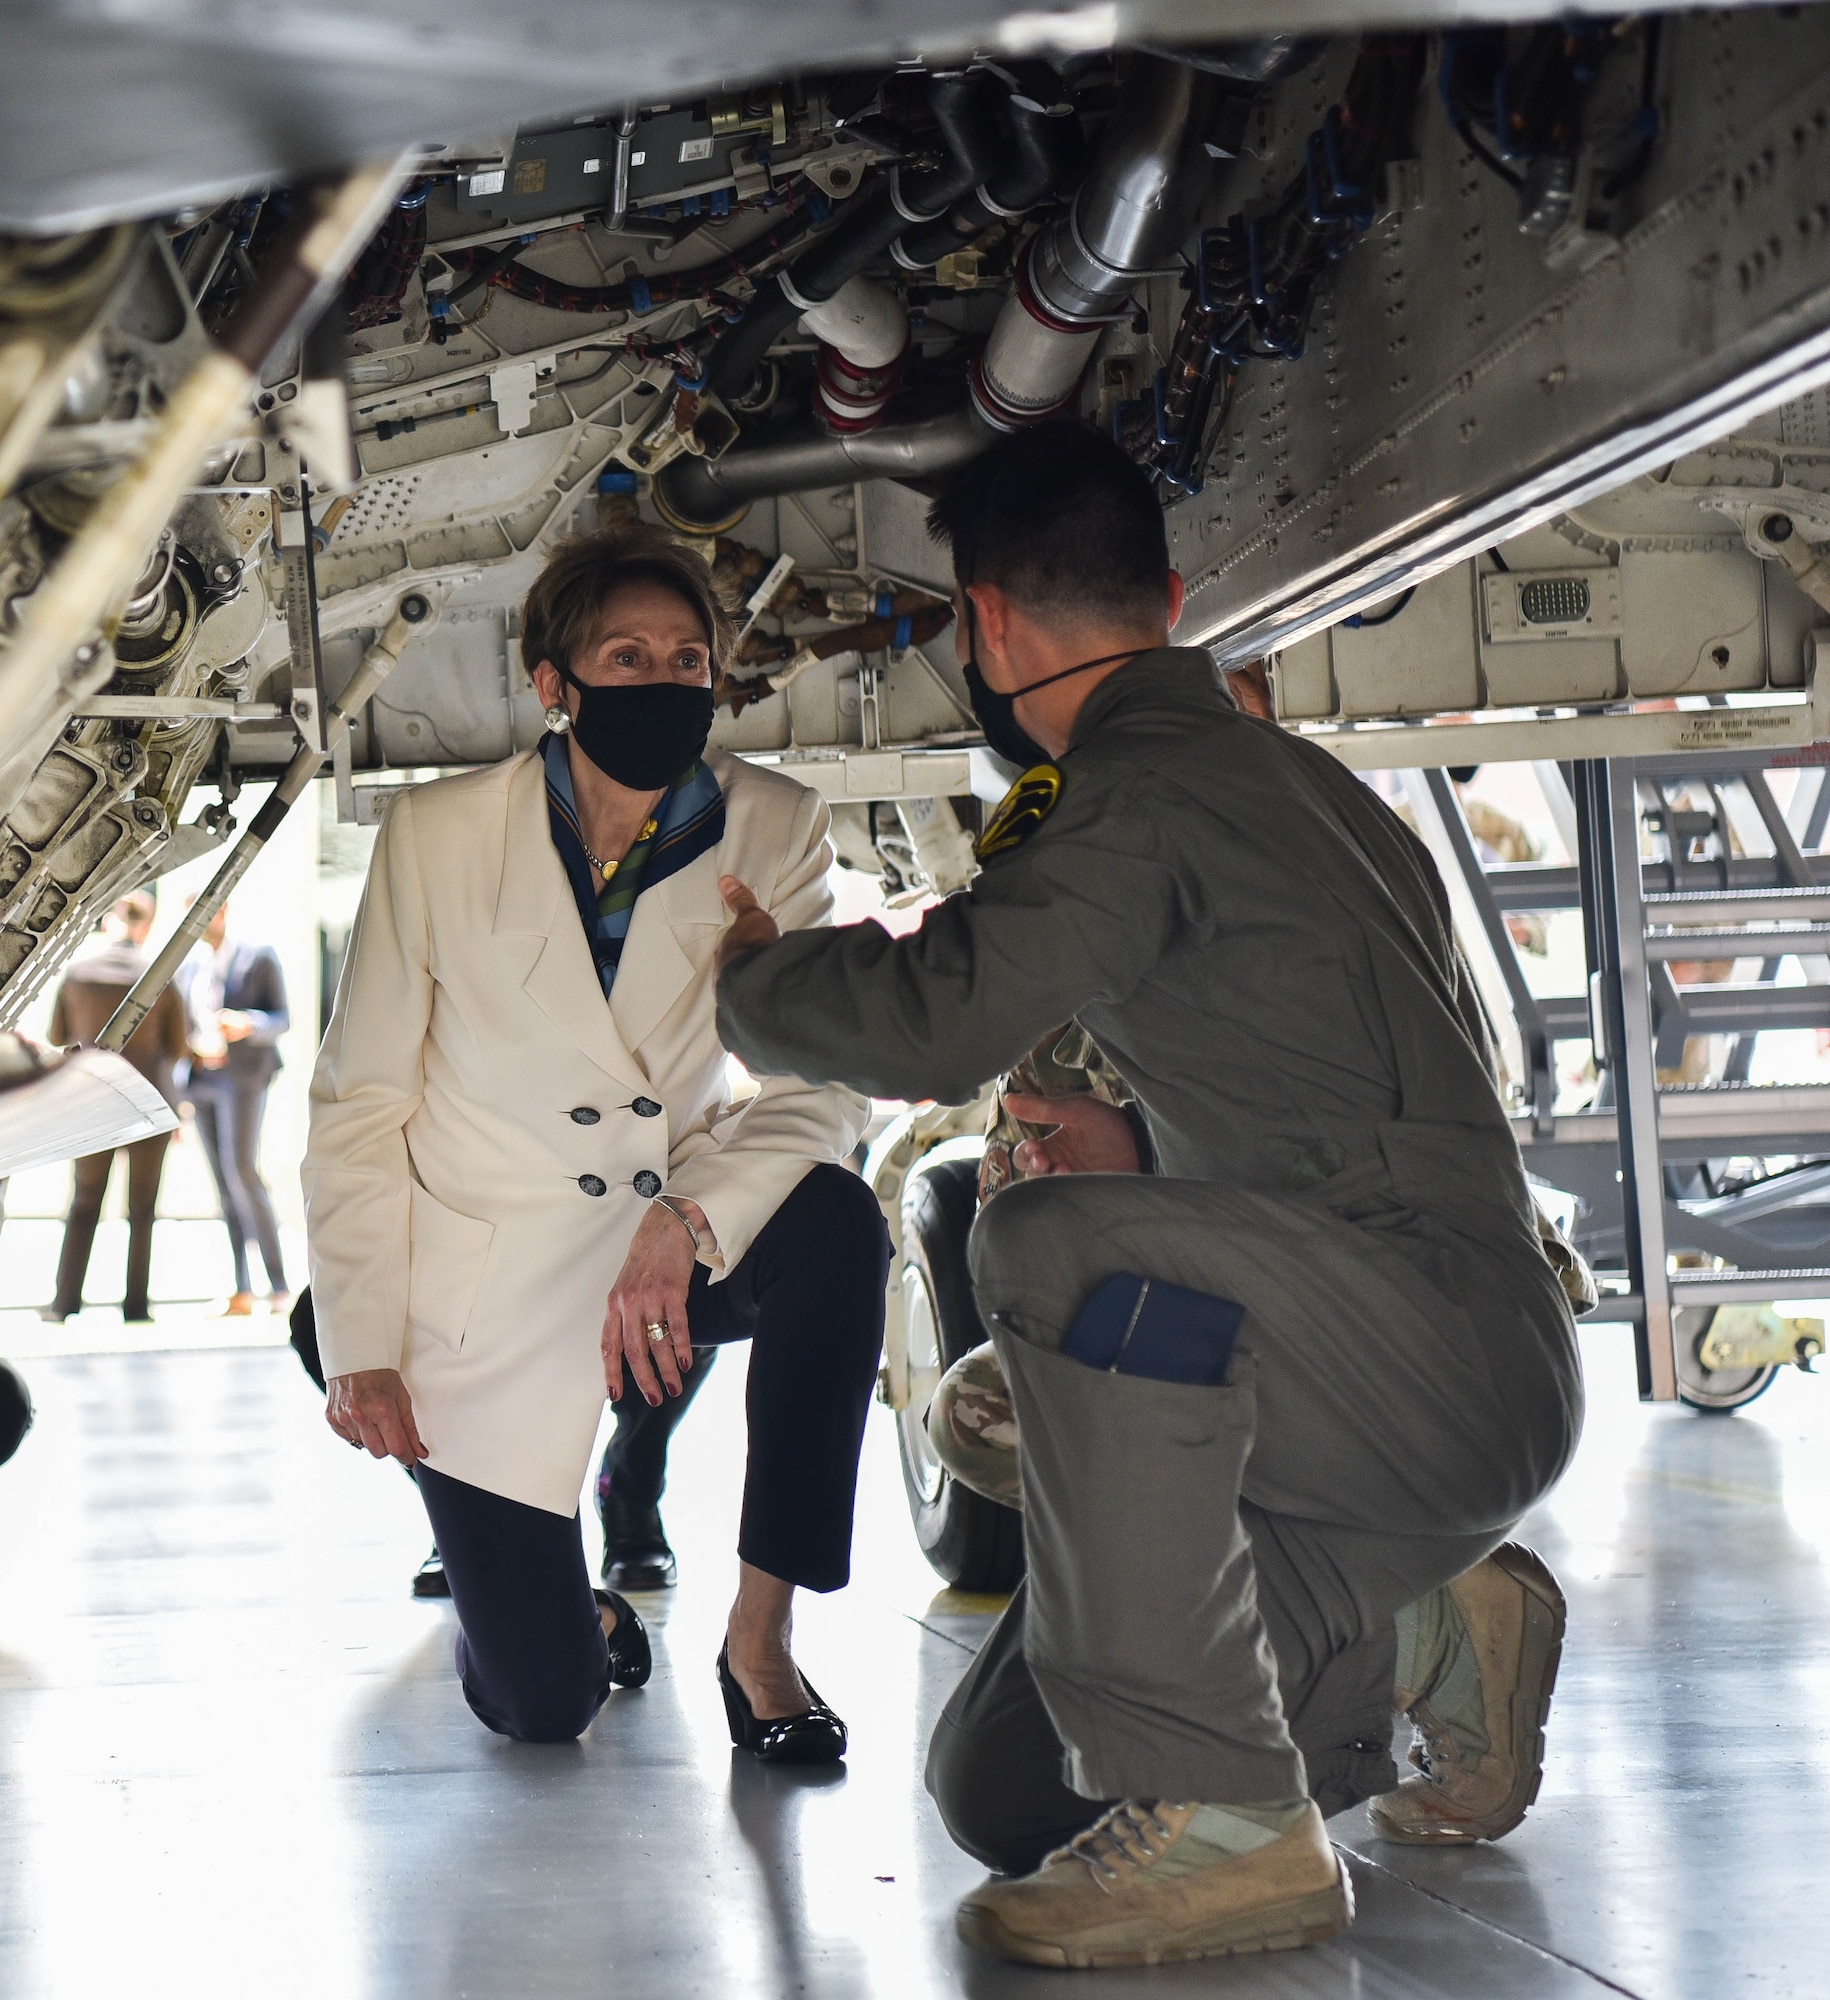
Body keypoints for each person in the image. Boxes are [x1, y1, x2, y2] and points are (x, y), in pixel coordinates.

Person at [713, 422, 1583, 1967]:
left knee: (1040, 1243)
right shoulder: (1315, 794)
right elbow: (1351, 1090)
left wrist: (750, 984)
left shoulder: (1132, 793)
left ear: (982, 625)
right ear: (1169, 597)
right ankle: (1434, 1633)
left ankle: (1229, 1823)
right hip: (1433, 1347)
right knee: (1010, 1787)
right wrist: (1155, 1158)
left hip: (1416, 1357)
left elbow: (936, 1022)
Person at [303, 524, 889, 1757]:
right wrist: (361, 1342)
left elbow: (819, 1086)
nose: (662, 681)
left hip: (661, 1248)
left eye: (687, 659)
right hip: (498, 1287)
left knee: (838, 1220)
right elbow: (361, 1104)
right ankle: (567, 1595)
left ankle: (761, 1639)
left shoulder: (770, 825)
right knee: (541, 1706)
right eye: (624, 655)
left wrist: (682, 1220)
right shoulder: (440, 834)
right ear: (551, 683)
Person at [43, 890, 190, 1324]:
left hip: (92, 1104)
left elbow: (56, 1037)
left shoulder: (79, 973)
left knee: (84, 1201)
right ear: (146, 924)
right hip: (148, 1105)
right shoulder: (161, 975)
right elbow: (178, 1047)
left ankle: (65, 1302)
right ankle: (136, 1306)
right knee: (142, 1210)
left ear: (110, 920)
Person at [179, 901, 290, 1315]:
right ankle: (241, 1289)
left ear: (222, 909)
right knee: (224, 1186)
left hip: (243, 1080)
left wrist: (248, 1023)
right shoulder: (189, 968)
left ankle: (278, 1285)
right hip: (202, 1082)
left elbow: (281, 1018)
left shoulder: (257, 956)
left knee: (244, 1174)